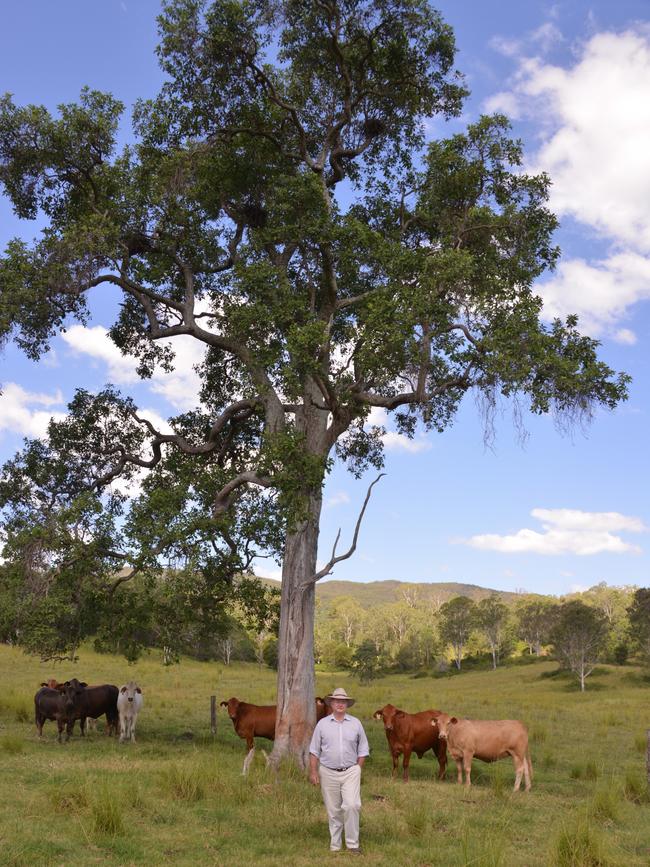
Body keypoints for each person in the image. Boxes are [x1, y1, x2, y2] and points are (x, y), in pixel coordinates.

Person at [309, 687, 370, 855]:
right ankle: (335, 845)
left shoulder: (356, 723)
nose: (340, 704)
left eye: (343, 701)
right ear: (332, 703)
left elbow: (363, 749)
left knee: (352, 805)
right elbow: (314, 750)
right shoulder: (322, 724)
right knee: (333, 810)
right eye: (337, 701)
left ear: (347, 704)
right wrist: (313, 772)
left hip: (351, 770)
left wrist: (358, 768)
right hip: (328, 771)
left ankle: (352, 845)